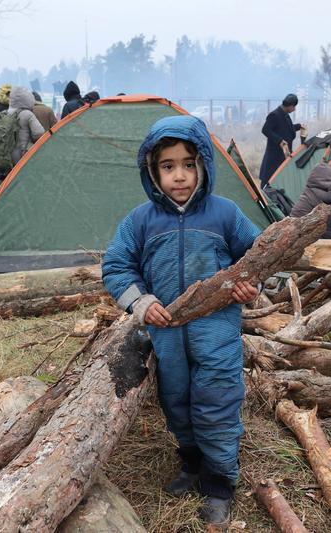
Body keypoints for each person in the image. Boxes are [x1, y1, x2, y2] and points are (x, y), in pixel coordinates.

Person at [102, 115, 260, 528]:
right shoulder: (140, 221)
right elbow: (117, 266)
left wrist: (251, 285)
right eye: (168, 166)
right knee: (177, 403)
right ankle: (191, 464)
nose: (180, 176)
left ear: (204, 164)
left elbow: (261, 257)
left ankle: (220, 484)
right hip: (167, 335)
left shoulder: (225, 214)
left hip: (218, 335)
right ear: (152, 171)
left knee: (218, 405)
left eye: (189, 164)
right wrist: (142, 302)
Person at [258, 94, 302, 187]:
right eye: (294, 107)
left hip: (282, 157)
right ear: (290, 105)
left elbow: (286, 129)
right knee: (268, 183)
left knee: (279, 183)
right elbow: (265, 130)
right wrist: (279, 141)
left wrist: (299, 126)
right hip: (274, 157)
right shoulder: (275, 115)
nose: (294, 109)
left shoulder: (285, 114)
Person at [7, 86, 45, 166]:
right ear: (28, 99)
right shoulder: (27, 114)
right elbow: (39, 133)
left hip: (6, 156)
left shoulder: (4, 114)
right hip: (23, 155)